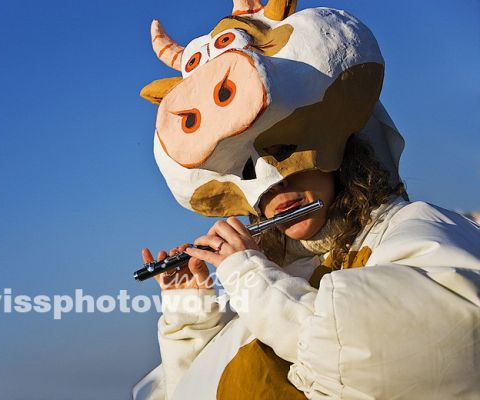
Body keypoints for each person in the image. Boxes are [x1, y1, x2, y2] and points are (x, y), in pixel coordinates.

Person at [133, 2, 480, 399]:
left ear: (340, 150)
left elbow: (434, 350)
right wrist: (189, 316)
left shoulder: (412, 228)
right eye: (247, 172)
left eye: (283, 151)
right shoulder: (268, 273)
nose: (272, 187)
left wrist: (250, 278)